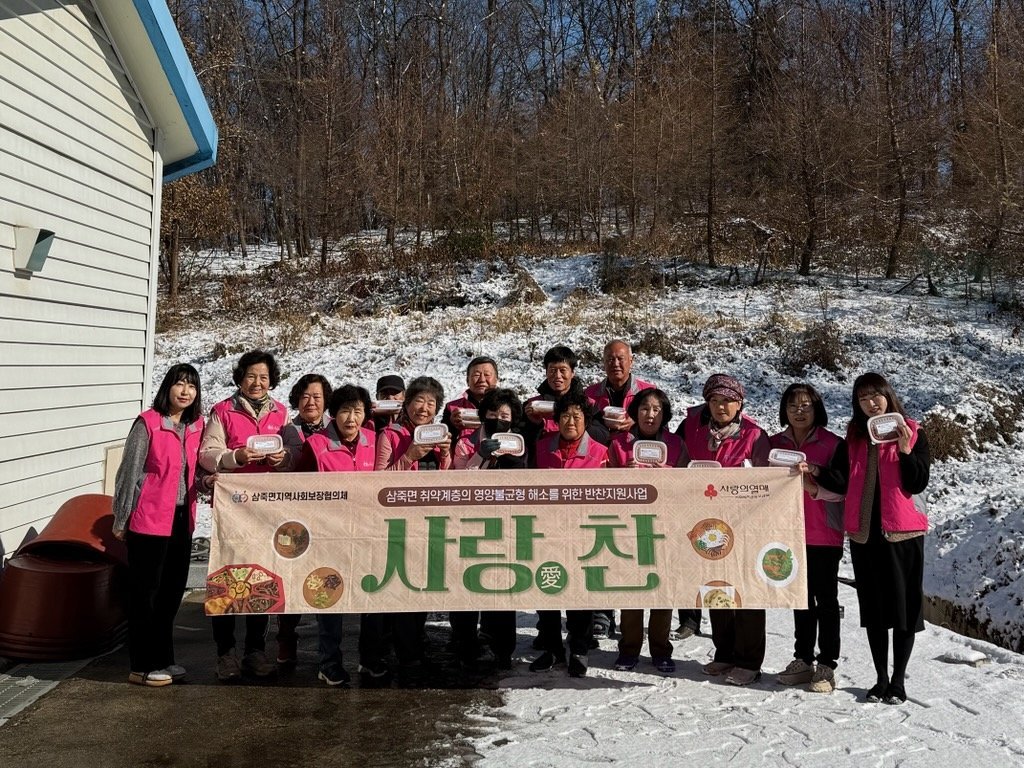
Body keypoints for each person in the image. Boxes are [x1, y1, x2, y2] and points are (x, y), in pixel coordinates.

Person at [813, 372, 930, 705]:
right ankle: (880, 679)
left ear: (888, 396)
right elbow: (841, 481)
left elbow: (918, 482)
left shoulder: (913, 431)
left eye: (875, 395)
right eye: (863, 398)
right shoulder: (853, 438)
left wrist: (905, 450)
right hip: (865, 536)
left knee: (904, 610)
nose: (870, 403)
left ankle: (898, 681)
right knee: (875, 611)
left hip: (903, 534)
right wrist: (816, 472)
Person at [113, 364, 207, 687]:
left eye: (192, 386)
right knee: (146, 594)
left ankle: (164, 657)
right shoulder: (148, 424)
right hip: (149, 520)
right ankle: (141, 665)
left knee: (171, 593)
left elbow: (196, 472)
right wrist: (121, 517)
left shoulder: (196, 427)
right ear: (168, 387)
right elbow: (128, 472)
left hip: (182, 519)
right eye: (180, 384)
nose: (186, 391)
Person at [199, 349, 290, 682]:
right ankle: (225, 654)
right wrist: (235, 457)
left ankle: (255, 651)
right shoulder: (223, 410)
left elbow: (294, 452)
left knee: (261, 579)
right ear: (240, 378)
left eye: (264, 377)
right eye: (251, 376)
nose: (257, 382)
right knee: (227, 578)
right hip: (232, 510)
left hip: (266, 510)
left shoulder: (281, 412)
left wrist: (283, 458)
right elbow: (207, 454)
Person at [677, 373, 771, 686]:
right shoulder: (693, 429)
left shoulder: (755, 436)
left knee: (747, 593)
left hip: (746, 526)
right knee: (716, 588)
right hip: (707, 525)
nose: (721, 407)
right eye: (715, 400)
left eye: (728, 401)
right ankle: (725, 652)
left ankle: (749, 661)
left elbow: (768, 482)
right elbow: (678, 465)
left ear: (739, 404)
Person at [294, 384, 376, 686]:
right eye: (344, 411)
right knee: (330, 598)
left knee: (371, 595)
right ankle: (329, 662)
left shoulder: (373, 441)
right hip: (329, 535)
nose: (351, 418)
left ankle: (370, 659)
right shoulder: (316, 445)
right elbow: (299, 488)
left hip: (367, 532)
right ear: (333, 413)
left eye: (357, 411)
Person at [375, 376, 452, 684]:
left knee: (421, 587)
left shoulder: (438, 435)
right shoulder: (390, 435)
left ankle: (413, 645)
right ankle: (405, 656)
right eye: (419, 401)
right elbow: (377, 481)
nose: (424, 408)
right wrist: (409, 457)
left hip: (430, 523)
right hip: (397, 523)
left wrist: (444, 454)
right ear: (406, 404)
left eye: (431, 403)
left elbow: (448, 481)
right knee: (400, 588)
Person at [770, 384, 845, 694]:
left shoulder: (833, 444)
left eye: (805, 405)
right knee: (799, 598)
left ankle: (827, 664)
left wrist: (813, 486)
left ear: (817, 409)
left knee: (825, 600)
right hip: (788, 533)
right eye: (792, 405)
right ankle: (803, 659)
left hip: (824, 533)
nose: (798, 411)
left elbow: (843, 488)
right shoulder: (774, 445)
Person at [529, 390, 608, 678]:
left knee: (579, 591)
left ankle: (579, 647)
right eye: (564, 415)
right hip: (546, 530)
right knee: (547, 584)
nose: (570, 421)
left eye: (577, 416)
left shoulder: (601, 452)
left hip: (583, 531)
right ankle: (551, 647)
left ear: (586, 420)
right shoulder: (541, 448)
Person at [607, 388, 685, 674]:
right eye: (644, 408)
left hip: (665, 525)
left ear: (664, 415)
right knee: (632, 589)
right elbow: (603, 482)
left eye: (656, 410)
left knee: (662, 589)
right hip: (629, 526)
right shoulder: (619, 444)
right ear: (635, 412)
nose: (650, 415)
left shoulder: (676, 444)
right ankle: (629, 648)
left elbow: (689, 483)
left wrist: (667, 474)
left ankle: (661, 649)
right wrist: (622, 476)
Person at [450, 387, 526, 670]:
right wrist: (478, 458)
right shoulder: (466, 442)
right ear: (483, 415)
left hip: (505, 523)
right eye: (493, 414)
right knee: (465, 585)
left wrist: (514, 462)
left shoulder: (519, 443)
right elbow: (456, 483)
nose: (499, 419)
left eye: (505, 415)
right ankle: (464, 643)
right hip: (468, 524)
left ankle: (502, 648)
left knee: (502, 584)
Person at [273, 373, 333, 668]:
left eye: (317, 397)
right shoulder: (286, 431)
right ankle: (286, 637)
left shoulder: (336, 428)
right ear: (297, 400)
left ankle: (329, 647)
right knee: (291, 576)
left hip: (329, 515)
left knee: (326, 577)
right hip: (292, 512)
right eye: (305, 396)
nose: (311, 402)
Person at [585, 339, 654, 444]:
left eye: (620, 358)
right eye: (610, 359)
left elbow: (662, 427)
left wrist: (639, 422)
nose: (615, 364)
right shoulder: (589, 394)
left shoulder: (649, 393)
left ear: (631, 361)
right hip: (599, 449)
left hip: (633, 449)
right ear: (604, 363)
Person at [441, 356, 500, 446]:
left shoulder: (509, 406)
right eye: (476, 375)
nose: (482, 380)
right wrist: (452, 425)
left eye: (487, 374)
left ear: (496, 379)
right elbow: (443, 443)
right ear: (467, 380)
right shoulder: (452, 408)